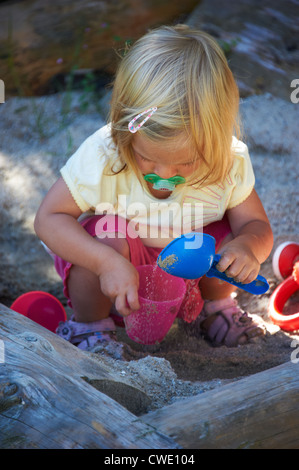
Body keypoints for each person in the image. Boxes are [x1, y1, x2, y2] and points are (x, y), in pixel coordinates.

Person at [34, 24, 273, 350]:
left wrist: (248, 248)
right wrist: (105, 263)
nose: (164, 175)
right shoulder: (106, 155)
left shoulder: (226, 160)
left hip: (190, 269)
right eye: (147, 158)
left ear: (216, 144)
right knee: (108, 235)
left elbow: (254, 224)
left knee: (228, 237)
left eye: (186, 164)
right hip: (120, 268)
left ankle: (215, 308)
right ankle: (90, 326)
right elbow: (49, 218)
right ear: (124, 130)